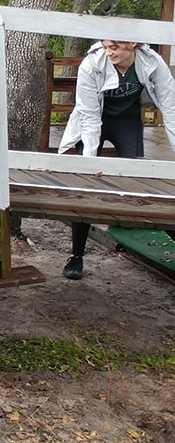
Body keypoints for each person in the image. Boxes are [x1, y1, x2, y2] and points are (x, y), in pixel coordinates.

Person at [57, 37, 175, 280]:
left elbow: (171, 109)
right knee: (86, 186)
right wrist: (89, 165)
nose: (109, 52)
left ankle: (132, 224)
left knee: (136, 179)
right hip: (95, 117)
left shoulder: (152, 62)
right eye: (105, 46)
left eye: (115, 47)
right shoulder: (91, 64)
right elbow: (89, 118)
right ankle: (76, 255)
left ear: (132, 44)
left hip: (127, 119)